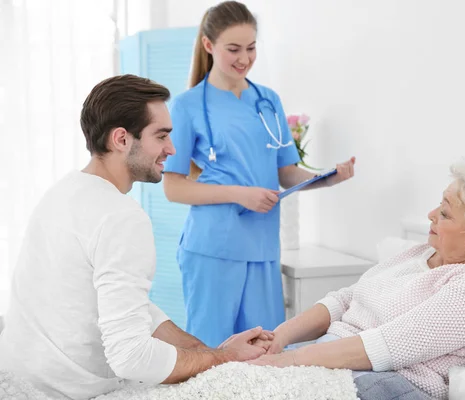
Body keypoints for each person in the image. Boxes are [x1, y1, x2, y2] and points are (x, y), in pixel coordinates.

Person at [0, 74, 274, 400]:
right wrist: (222, 359)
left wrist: (206, 351)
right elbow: (132, 358)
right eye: (161, 136)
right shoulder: (121, 217)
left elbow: (130, 307)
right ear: (121, 139)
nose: (171, 149)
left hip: (17, 380)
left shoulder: (63, 193)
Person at [249, 162, 465, 400]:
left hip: (391, 382)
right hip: (335, 359)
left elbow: (389, 345)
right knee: (233, 376)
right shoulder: (419, 253)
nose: (431, 215)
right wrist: (281, 338)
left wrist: (292, 360)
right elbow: (346, 299)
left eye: (445, 213)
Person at [162, 0, 356, 349]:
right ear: (209, 46)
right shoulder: (187, 105)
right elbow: (174, 189)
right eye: (233, 49)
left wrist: (328, 177)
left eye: (251, 48)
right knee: (212, 353)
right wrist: (240, 194)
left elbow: (287, 173)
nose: (244, 58)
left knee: (266, 349)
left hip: (263, 246)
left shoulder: (268, 101)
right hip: (213, 247)